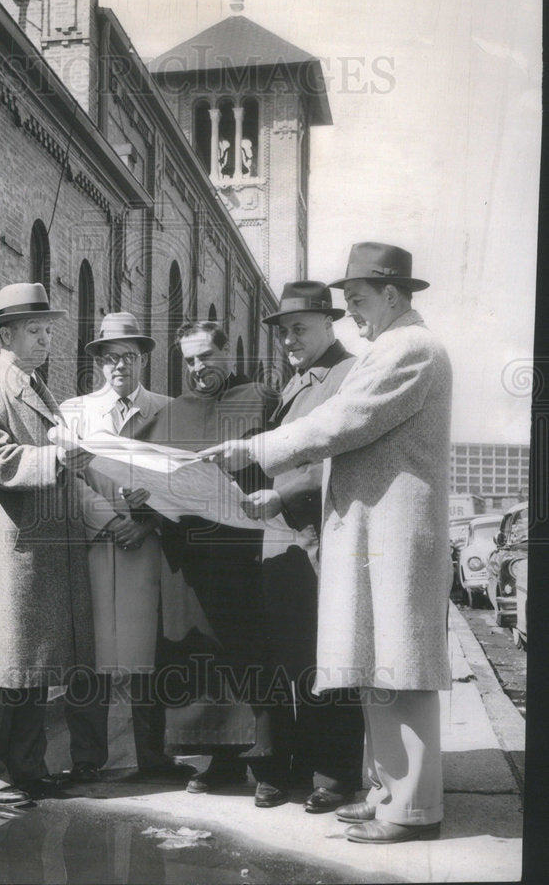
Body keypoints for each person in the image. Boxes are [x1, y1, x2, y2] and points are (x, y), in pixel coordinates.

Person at [203, 243, 453, 843]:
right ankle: (388, 788)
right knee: (377, 666)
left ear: (393, 295)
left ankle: (414, 808)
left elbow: (345, 420)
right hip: (376, 532)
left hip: (393, 536)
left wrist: (255, 448)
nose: (355, 314)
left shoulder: (411, 349)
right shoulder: (391, 346)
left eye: (360, 301)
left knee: (401, 667)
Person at [0, 282, 95, 811]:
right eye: (34, 330)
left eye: (49, 330)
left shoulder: (32, 386)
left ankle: (28, 767)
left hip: (28, 552)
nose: (45, 339)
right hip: (0, 555)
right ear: (4, 334)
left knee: (30, 663)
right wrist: (55, 460)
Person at [136, 320, 279, 803]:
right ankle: (217, 760)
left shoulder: (260, 399)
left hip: (247, 553)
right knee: (202, 662)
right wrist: (137, 495)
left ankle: (268, 760)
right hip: (190, 561)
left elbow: (287, 466)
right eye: (190, 360)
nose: (198, 368)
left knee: (252, 655)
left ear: (227, 353)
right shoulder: (173, 413)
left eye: (206, 357)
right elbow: (146, 483)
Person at [241, 281, 365, 811]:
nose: (289, 340)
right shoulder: (297, 381)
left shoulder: (347, 375)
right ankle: (295, 762)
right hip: (283, 539)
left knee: (325, 655)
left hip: (322, 536)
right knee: (290, 656)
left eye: (299, 329)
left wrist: (280, 492)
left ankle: (334, 773)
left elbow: (337, 455)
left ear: (327, 324)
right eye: (283, 331)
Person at [59, 312, 195, 783]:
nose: (120, 366)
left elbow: (184, 480)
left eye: (130, 357)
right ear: (98, 361)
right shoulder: (73, 412)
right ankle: (87, 758)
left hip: (149, 547)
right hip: (97, 544)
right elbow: (69, 481)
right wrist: (113, 520)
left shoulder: (170, 410)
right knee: (89, 654)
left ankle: (153, 756)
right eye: (111, 357)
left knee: (148, 654)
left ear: (143, 360)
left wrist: (150, 519)